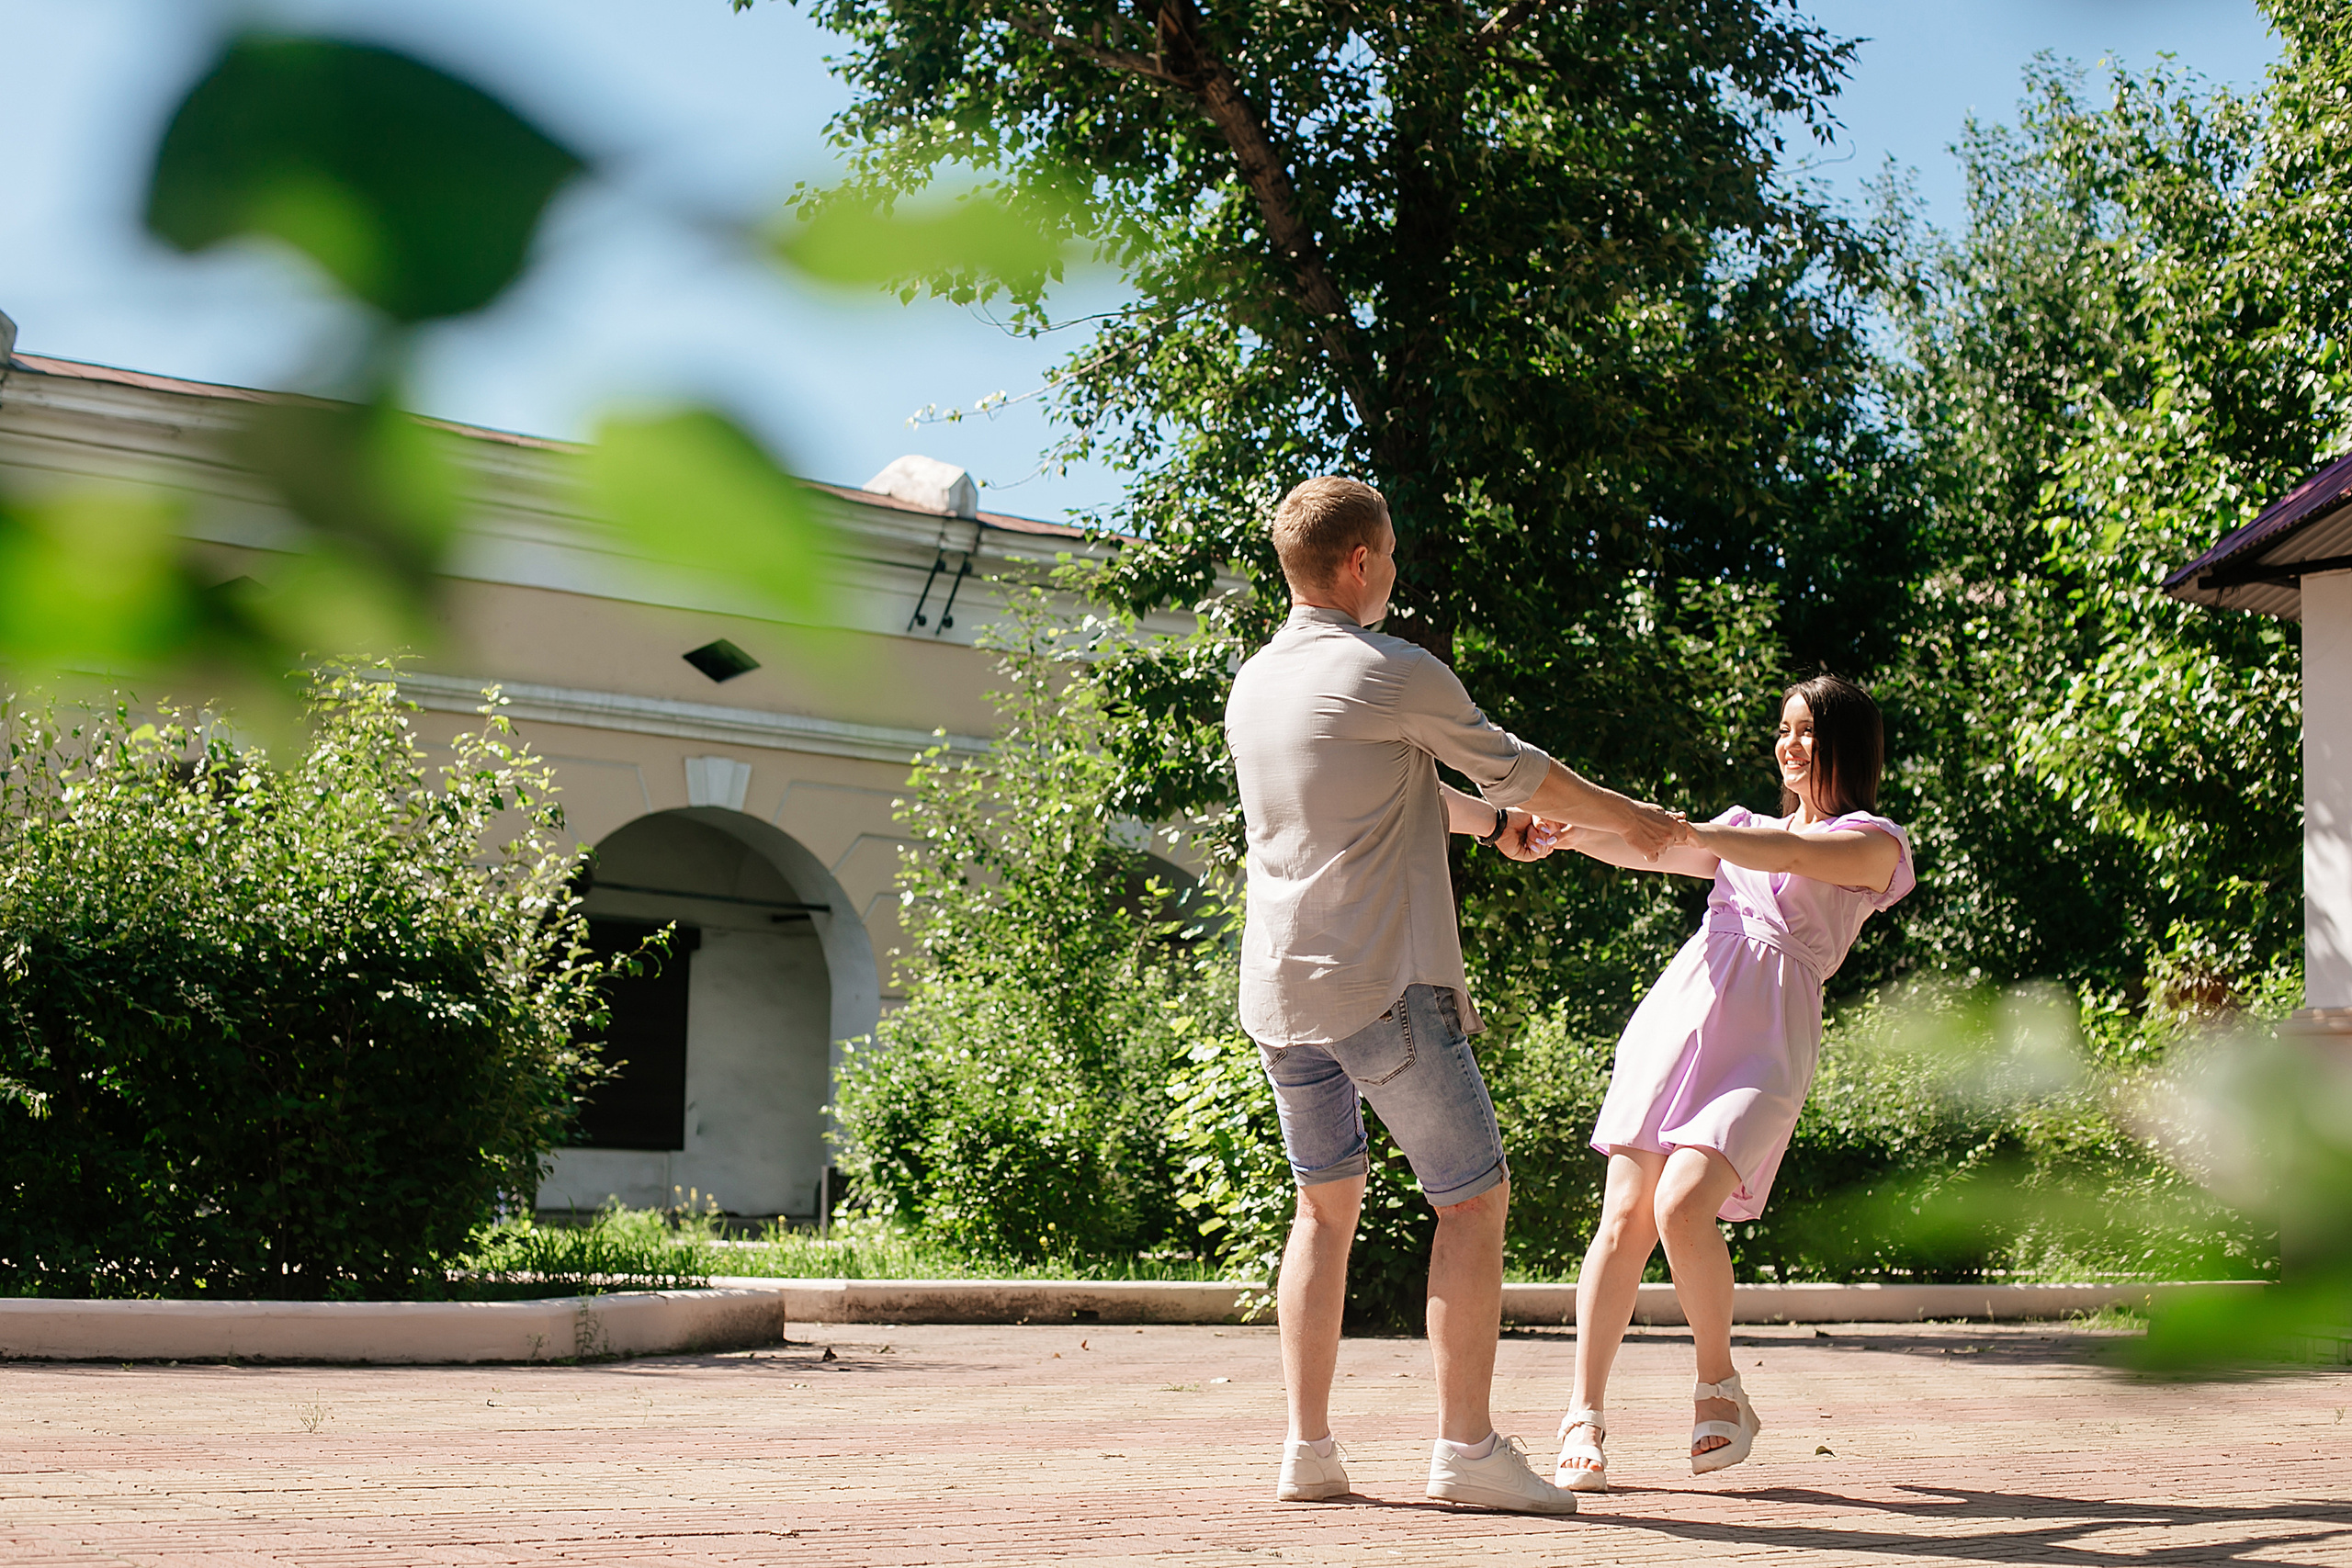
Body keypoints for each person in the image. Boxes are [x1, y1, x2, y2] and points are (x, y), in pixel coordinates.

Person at [1225, 475, 1683, 1513]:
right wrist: (1638, 822)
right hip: (1383, 982)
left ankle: (1308, 1452)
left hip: (1280, 995)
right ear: (1358, 562)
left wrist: (1489, 830)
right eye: (1388, 551)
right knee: (1471, 1197)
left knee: (1322, 1207)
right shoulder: (1391, 669)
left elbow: (1393, 784)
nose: (1395, 568)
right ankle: (1467, 1452)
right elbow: (1519, 769)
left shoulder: (1256, 684)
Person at [1536, 674, 1914, 1491]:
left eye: (1806, 730)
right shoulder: (1742, 828)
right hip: (1677, 1025)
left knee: (1682, 1204)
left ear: (1848, 742)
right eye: (1783, 729)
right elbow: (1653, 846)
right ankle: (1582, 1413)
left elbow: (1790, 854)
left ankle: (1719, 1385)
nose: (1789, 745)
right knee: (1625, 1218)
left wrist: (1683, 825)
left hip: (1767, 1044)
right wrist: (1570, 833)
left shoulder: (1875, 842)